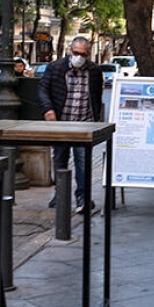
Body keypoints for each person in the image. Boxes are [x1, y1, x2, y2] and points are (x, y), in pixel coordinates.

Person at [38, 36, 104, 213]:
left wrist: (95, 120)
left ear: (88, 54)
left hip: (84, 123)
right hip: (61, 123)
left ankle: (82, 198)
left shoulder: (94, 71)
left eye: (83, 54)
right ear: (70, 51)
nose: (79, 57)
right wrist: (48, 109)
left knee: (83, 161)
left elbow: (96, 96)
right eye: (76, 53)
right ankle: (59, 195)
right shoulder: (56, 67)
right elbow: (43, 89)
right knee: (60, 158)